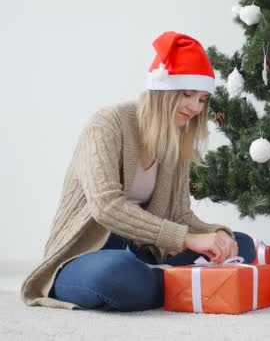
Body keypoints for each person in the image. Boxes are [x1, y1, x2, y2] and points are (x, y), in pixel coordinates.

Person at [21, 31, 256, 311]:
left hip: (145, 251)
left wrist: (216, 235)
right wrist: (187, 238)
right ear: (162, 91)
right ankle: (179, 282)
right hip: (88, 252)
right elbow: (106, 207)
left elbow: (179, 214)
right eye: (188, 94)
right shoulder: (106, 125)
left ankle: (162, 280)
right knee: (120, 274)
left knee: (241, 245)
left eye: (203, 99)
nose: (195, 107)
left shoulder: (175, 138)